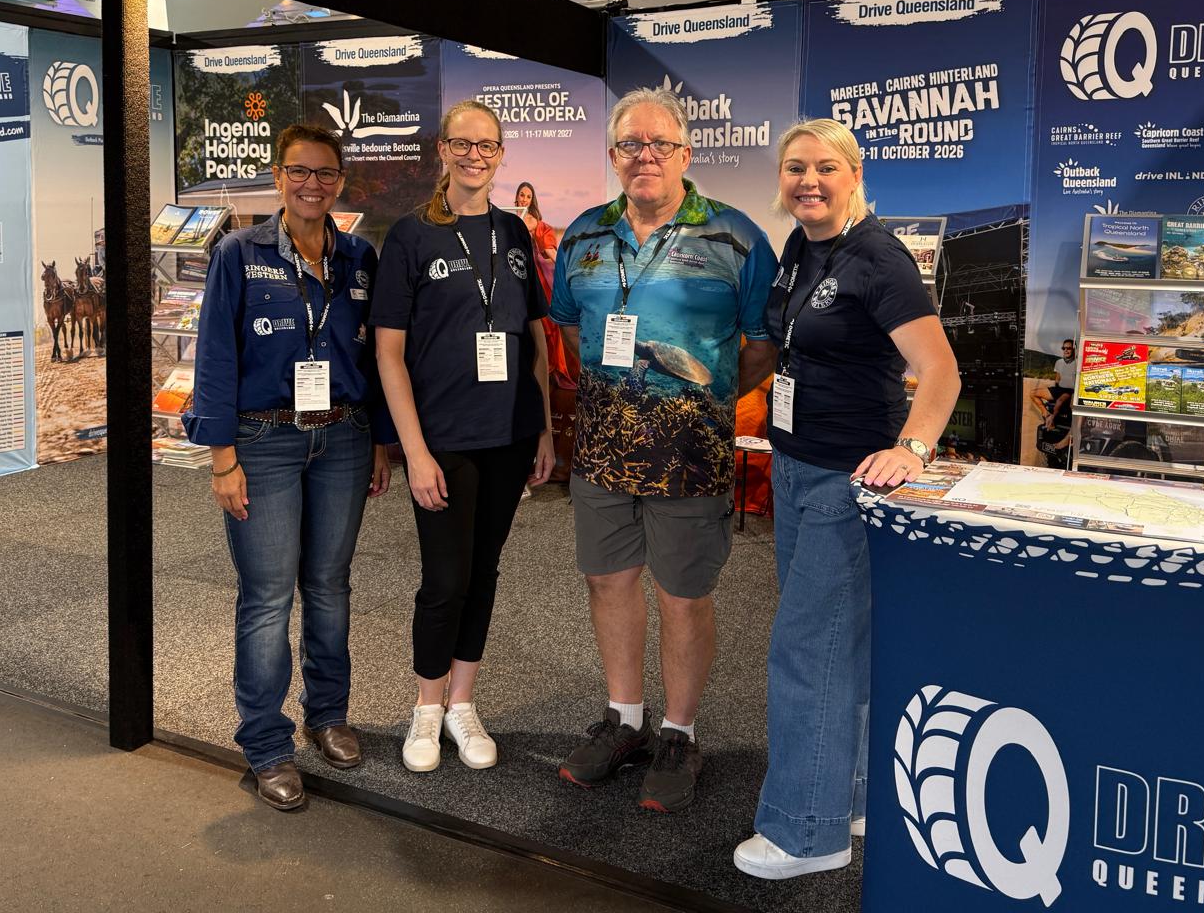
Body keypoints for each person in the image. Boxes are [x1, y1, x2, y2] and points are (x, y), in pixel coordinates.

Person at [733, 119, 960, 880]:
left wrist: (912, 449)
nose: (809, 181)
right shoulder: (803, 246)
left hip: (846, 482)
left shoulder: (879, 257)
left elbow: (941, 371)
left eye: (825, 167)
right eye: (795, 167)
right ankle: (850, 798)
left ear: (855, 174)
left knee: (807, 652)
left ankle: (806, 833)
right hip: (795, 467)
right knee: (840, 647)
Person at [549, 85, 778, 814]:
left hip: (690, 454)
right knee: (608, 581)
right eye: (630, 145)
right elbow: (568, 329)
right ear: (613, 155)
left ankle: (679, 733)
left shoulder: (737, 238)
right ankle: (625, 720)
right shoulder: (583, 236)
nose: (644, 156)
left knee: (683, 594)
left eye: (659, 144)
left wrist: (700, 400)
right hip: (602, 450)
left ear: (685, 152)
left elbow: (762, 345)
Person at [184, 123, 394, 812]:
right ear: (278, 177)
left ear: (340, 182)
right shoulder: (239, 254)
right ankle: (267, 743)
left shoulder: (359, 257)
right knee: (269, 596)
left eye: (326, 173)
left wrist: (380, 441)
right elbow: (215, 356)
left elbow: (373, 357)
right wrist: (222, 458)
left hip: (344, 438)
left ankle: (327, 714)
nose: (312, 184)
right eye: (299, 171)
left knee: (330, 586)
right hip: (264, 442)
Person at [373, 100, 556, 773]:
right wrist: (413, 451)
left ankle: (462, 704)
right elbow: (388, 352)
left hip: (509, 434)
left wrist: (543, 429)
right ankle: (426, 708)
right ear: (443, 150)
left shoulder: (513, 233)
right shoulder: (411, 236)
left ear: (501, 154)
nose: (475, 155)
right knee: (444, 578)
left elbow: (535, 338)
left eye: (488, 146)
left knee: (484, 572)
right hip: (442, 438)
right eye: (463, 144)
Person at [513, 181, 569, 384]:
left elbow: (549, 250)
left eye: (528, 196)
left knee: (545, 322)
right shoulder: (508, 219)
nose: (524, 199)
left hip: (533, 275)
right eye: (522, 195)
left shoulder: (534, 222)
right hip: (512, 274)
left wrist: (566, 270)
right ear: (516, 197)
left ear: (532, 200)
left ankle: (549, 368)